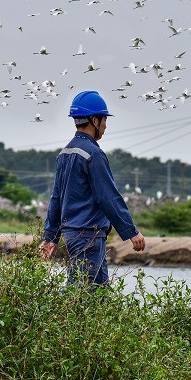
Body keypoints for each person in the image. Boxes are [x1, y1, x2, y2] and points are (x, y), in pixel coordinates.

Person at [39, 91, 146, 286]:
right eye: (104, 120)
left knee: (97, 294)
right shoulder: (93, 154)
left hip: (73, 234)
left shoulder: (65, 153)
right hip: (87, 235)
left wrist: (51, 236)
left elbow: (56, 198)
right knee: (83, 294)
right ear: (94, 120)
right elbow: (107, 197)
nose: (105, 126)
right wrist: (131, 231)